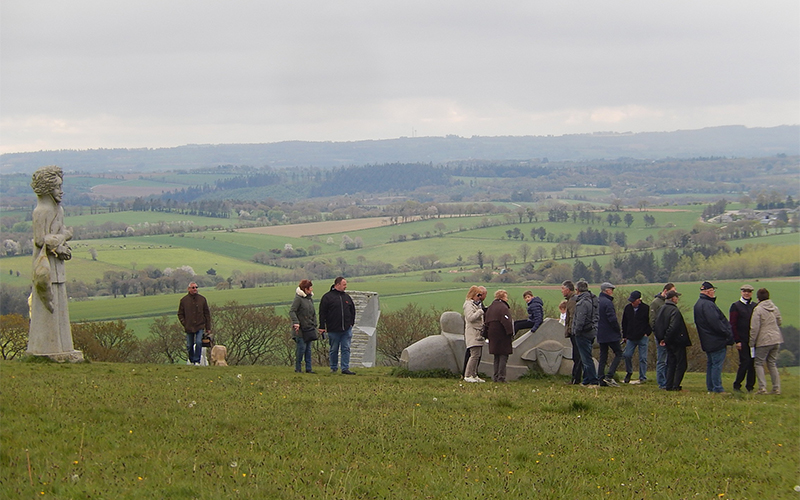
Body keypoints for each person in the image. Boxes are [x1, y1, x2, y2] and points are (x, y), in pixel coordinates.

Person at [27, 166, 77, 357]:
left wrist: (61, 243)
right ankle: (47, 348)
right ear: (47, 190)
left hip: (56, 262)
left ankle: (63, 348)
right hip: (45, 265)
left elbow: (55, 234)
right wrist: (63, 236)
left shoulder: (58, 209)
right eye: (57, 188)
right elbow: (40, 240)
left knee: (60, 304)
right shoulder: (41, 211)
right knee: (48, 305)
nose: (61, 191)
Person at [693, 281, 734, 394]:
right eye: (712, 290)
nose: (713, 293)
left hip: (706, 339)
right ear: (708, 291)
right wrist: (727, 333)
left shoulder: (698, 304)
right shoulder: (708, 305)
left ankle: (710, 387)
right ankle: (718, 388)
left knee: (711, 364)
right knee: (716, 365)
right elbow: (716, 323)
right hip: (716, 340)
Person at [319, 277, 357, 375]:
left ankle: (345, 368)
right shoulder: (327, 297)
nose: (346, 286)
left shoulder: (347, 297)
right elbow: (322, 313)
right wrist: (322, 326)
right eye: (344, 284)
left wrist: (351, 323)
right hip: (333, 329)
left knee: (346, 348)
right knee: (333, 349)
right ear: (337, 285)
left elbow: (353, 310)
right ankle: (333, 368)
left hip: (346, 329)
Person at [655, 290, 691, 391]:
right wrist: (666, 338)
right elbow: (673, 326)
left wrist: (661, 339)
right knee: (681, 364)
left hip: (667, 341)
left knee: (671, 363)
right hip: (676, 341)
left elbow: (656, 325)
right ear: (673, 298)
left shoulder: (661, 309)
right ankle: (676, 385)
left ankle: (668, 385)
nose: (678, 299)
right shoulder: (674, 311)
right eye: (676, 297)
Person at [750, 288, 783, 395]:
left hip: (763, 340)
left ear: (758, 298)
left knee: (759, 363)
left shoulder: (758, 309)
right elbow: (779, 321)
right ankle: (776, 388)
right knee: (772, 363)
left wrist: (751, 342)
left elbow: (754, 328)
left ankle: (762, 388)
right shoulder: (775, 308)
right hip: (776, 339)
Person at [572, 280, 600, 388]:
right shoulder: (594, 300)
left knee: (586, 358)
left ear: (577, 290)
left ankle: (593, 381)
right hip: (592, 331)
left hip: (583, 333)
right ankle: (586, 380)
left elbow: (580, 319)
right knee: (586, 356)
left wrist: (576, 331)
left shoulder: (582, 303)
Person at [729, 284, 757, 393]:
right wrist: (737, 340)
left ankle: (750, 386)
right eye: (745, 291)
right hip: (742, 339)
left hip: (753, 340)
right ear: (741, 292)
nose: (747, 293)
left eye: (749, 291)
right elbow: (733, 324)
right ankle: (737, 384)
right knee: (744, 362)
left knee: (752, 363)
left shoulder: (754, 306)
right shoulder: (735, 306)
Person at [178, 282, 212, 366]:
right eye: (193, 287)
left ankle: (197, 361)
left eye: (196, 287)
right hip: (189, 327)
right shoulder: (184, 300)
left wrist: (208, 327)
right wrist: (184, 323)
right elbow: (180, 314)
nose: (195, 289)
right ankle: (192, 360)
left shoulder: (202, 299)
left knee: (199, 342)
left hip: (200, 326)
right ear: (189, 289)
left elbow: (207, 313)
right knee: (189, 345)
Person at [621, 290, 651, 384]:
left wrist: (647, 333)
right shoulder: (627, 308)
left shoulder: (646, 308)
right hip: (630, 337)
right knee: (627, 355)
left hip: (642, 337)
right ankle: (629, 372)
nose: (632, 302)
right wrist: (624, 336)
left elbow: (650, 321)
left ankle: (643, 377)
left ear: (639, 300)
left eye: (634, 300)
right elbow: (624, 323)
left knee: (643, 358)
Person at [289, 279, 319, 373]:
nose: (311, 289)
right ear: (305, 289)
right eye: (310, 288)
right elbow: (292, 311)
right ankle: (298, 368)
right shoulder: (298, 299)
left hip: (309, 328)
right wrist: (296, 322)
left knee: (308, 350)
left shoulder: (310, 299)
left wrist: (315, 323)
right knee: (301, 349)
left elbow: (313, 312)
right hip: (300, 330)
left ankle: (308, 368)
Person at [649, 283, 676, 389]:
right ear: (665, 291)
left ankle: (668, 380)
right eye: (672, 290)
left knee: (669, 358)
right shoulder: (656, 303)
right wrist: (659, 335)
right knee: (662, 359)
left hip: (668, 335)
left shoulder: (668, 302)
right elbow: (652, 321)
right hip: (661, 336)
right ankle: (662, 382)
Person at [597, 282, 623, 387]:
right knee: (619, 353)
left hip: (600, 332)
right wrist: (618, 330)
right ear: (606, 291)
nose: (612, 292)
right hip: (610, 333)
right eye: (611, 289)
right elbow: (612, 319)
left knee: (603, 356)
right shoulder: (608, 303)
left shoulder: (597, 301)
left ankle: (600, 378)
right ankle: (609, 376)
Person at [485, 289, 514, 382]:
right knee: (503, 356)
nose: (507, 299)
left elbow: (486, 322)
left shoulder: (491, 307)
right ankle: (501, 377)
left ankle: (495, 376)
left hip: (492, 335)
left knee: (496, 357)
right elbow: (507, 322)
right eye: (506, 296)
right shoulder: (503, 308)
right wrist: (510, 333)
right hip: (502, 334)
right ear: (502, 297)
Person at [463, 286, 487, 383]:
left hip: (478, 332)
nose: (480, 297)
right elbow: (470, 317)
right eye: (478, 295)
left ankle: (474, 374)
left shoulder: (477, 304)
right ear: (473, 294)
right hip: (472, 332)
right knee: (474, 355)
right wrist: (481, 312)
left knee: (477, 355)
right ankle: (468, 375)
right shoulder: (468, 304)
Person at [561, 280, 582, 385]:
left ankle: (576, 379)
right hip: (575, 331)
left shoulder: (573, 301)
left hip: (575, 332)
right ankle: (576, 378)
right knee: (577, 355)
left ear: (568, 290)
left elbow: (573, 317)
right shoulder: (572, 299)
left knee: (577, 356)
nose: (562, 291)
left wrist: (571, 330)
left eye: (562, 289)